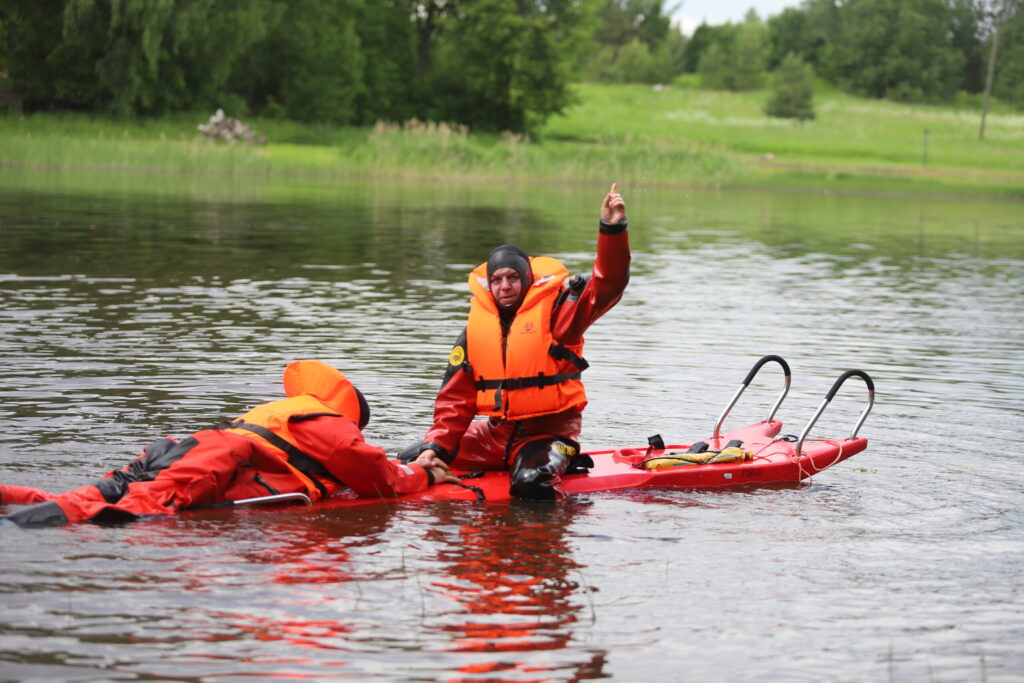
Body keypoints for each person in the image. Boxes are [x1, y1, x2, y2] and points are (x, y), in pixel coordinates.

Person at [1, 360, 454, 527]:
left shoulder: (283, 408)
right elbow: (379, 478)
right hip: (213, 461)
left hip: (184, 448)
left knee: (92, 494)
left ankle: (12, 502)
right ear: (350, 411)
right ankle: (17, 527)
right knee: (136, 510)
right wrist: (424, 473)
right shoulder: (335, 426)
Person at [401, 183, 630, 499]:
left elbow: (609, 284)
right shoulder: (475, 332)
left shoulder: (560, 317)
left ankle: (552, 511)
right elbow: (455, 401)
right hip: (492, 437)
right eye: (497, 280)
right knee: (411, 458)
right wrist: (435, 447)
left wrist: (612, 229)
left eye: (513, 278)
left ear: (527, 281)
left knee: (529, 483)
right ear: (489, 284)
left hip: (548, 436)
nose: (505, 286)